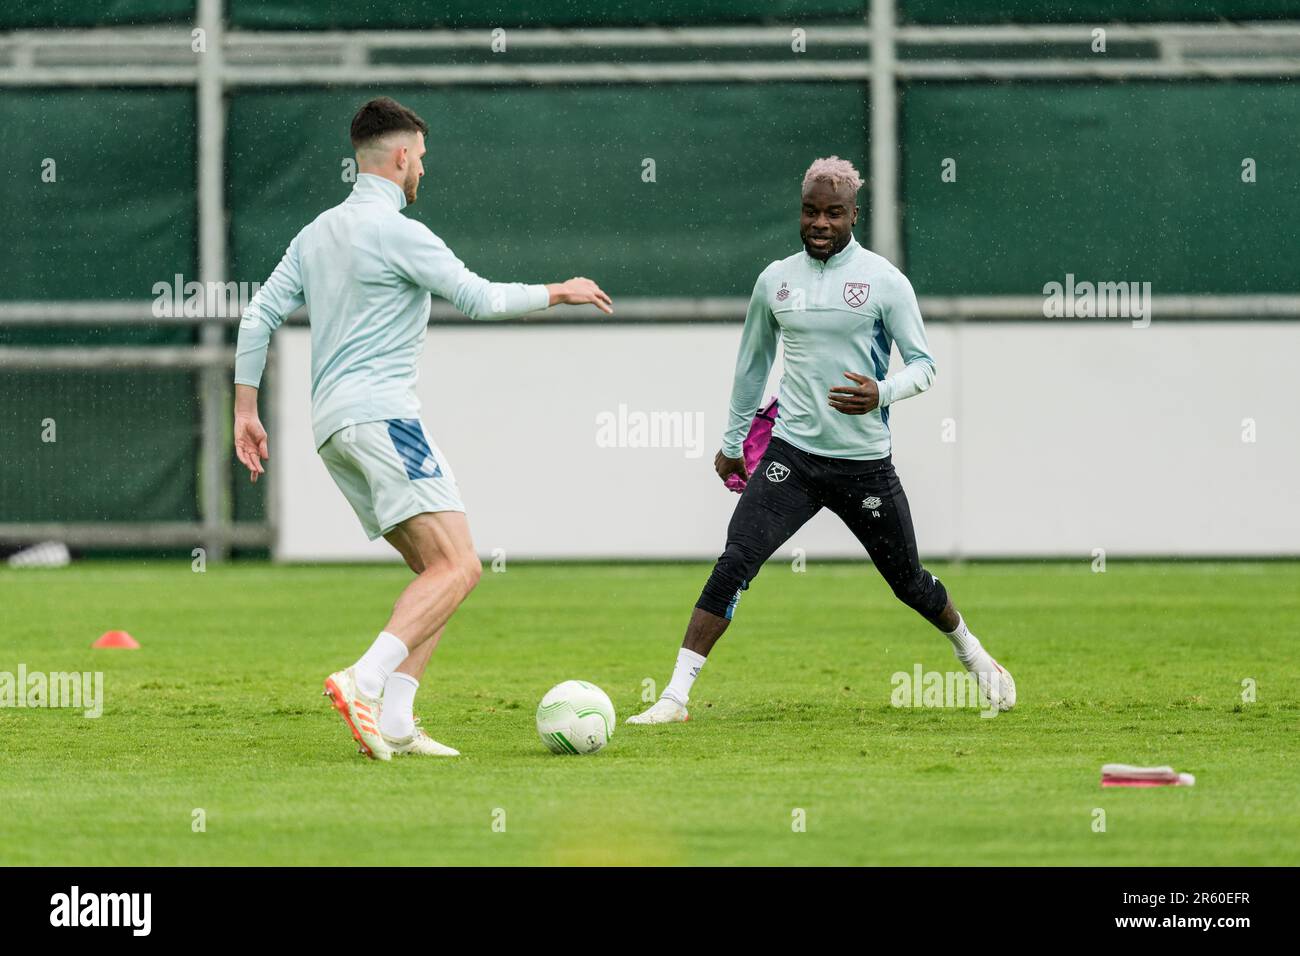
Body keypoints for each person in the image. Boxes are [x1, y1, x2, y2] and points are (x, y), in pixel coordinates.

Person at [233, 97, 613, 759]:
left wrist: (245, 410)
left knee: (435, 573)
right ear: (403, 156)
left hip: (333, 428)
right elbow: (480, 298)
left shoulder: (316, 233)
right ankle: (365, 680)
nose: (423, 172)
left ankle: (400, 723)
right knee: (462, 565)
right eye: (422, 160)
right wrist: (560, 289)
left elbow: (255, 317)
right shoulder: (400, 232)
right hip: (385, 417)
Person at [628, 156, 1014, 725]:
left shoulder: (885, 281)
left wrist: (881, 392)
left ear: (854, 214)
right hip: (793, 458)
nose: (820, 223)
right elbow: (751, 367)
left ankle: (972, 654)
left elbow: (925, 366)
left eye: (833, 213)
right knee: (735, 561)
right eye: (811, 211)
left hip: (864, 466)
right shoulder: (775, 281)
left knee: (908, 582)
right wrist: (733, 442)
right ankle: (675, 698)